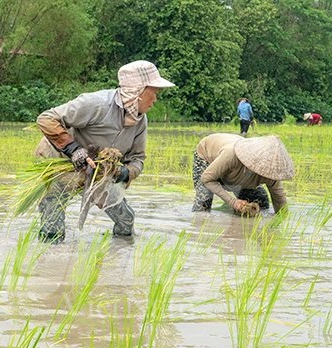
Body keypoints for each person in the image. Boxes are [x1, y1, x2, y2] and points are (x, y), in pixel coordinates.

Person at [34, 60, 175, 243]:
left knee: (126, 220)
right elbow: (46, 118)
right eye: (154, 92)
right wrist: (74, 150)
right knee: (53, 225)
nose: (156, 99)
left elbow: (137, 158)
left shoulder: (140, 120)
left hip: (99, 172)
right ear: (137, 91)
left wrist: (125, 173)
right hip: (61, 162)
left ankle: (119, 254)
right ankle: (50, 260)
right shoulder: (96, 104)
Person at [191, 133, 294, 215]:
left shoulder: (271, 172)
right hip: (208, 157)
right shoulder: (231, 154)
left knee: (261, 201)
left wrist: (281, 221)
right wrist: (232, 202)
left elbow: (280, 200)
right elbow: (206, 179)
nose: (266, 173)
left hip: (235, 175)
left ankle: (227, 211)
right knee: (204, 202)